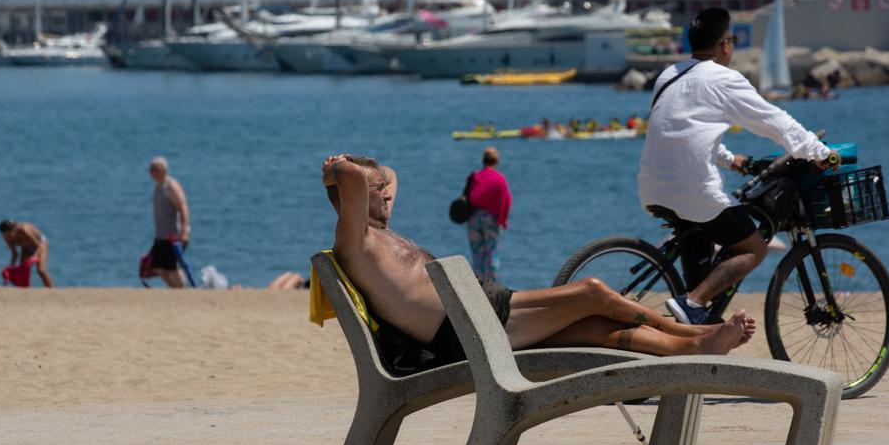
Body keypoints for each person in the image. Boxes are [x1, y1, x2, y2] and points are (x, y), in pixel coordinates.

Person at [321, 154, 755, 372]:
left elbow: (388, 172)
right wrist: (337, 167)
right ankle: (691, 329)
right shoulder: (355, 238)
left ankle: (692, 348)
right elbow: (354, 178)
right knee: (593, 292)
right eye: (378, 190)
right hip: (469, 327)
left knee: (592, 327)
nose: (387, 192)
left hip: (479, 313)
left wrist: (364, 175)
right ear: (354, 197)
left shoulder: (379, 232)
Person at [638, 7, 838, 324]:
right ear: (725, 45)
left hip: (650, 187)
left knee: (701, 241)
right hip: (692, 191)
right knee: (754, 248)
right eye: (731, 39)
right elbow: (774, 121)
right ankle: (692, 302)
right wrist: (820, 152)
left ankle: (696, 322)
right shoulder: (724, 78)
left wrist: (732, 160)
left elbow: (684, 132)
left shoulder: (669, 74)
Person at [465, 147, 512, 281]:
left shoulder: (474, 176)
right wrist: (502, 220)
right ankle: (492, 285)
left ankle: (477, 283)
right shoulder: (500, 178)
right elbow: (506, 200)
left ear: (483, 160)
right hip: (491, 220)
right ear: (496, 161)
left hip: (473, 218)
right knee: (491, 252)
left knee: (477, 254)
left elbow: (468, 197)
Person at [149, 156, 192, 288]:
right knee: (156, 266)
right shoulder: (158, 187)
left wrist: (184, 231)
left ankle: (181, 292)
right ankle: (176, 289)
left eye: (153, 169)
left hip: (173, 235)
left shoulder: (171, 186)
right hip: (161, 235)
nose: (150, 173)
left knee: (173, 267)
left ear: (161, 170)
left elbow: (183, 207)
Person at [0, 219, 53, 287]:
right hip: (26, 247)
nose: (8, 237)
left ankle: (50, 289)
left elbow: (38, 245)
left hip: (40, 244)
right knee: (22, 272)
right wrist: (11, 266)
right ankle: (26, 289)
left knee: (41, 270)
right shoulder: (6, 238)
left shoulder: (24, 230)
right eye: (5, 235)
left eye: (9, 235)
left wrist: (34, 257)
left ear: (14, 230)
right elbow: (15, 253)